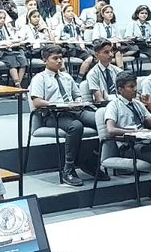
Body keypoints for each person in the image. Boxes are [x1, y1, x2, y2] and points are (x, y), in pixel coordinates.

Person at [30, 45, 103, 187]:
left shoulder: (66, 77)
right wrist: (55, 104)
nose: (59, 61)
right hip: (53, 114)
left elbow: (77, 96)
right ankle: (68, 169)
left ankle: (90, 159)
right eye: (54, 58)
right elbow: (37, 101)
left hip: (74, 110)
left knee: (102, 120)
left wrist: (78, 102)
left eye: (60, 58)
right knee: (76, 127)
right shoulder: (40, 78)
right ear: (45, 60)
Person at [105, 71, 151, 201]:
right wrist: (135, 132)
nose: (135, 89)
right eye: (131, 86)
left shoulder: (137, 104)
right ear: (120, 89)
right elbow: (111, 130)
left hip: (145, 143)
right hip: (128, 146)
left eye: (135, 86)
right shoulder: (114, 105)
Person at [85, 38, 123, 106]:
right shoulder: (92, 74)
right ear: (97, 55)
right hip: (104, 107)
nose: (111, 55)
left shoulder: (118, 71)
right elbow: (99, 99)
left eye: (111, 51)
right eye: (106, 52)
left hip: (120, 104)